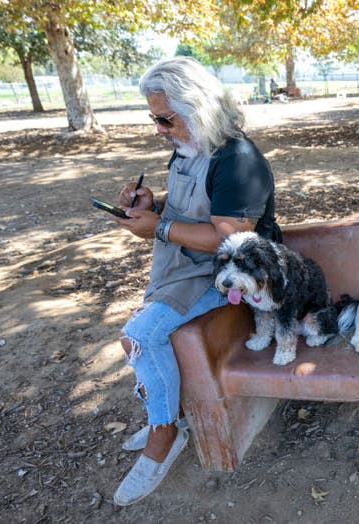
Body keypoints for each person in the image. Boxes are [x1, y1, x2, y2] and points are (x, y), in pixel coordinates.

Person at [109, 56, 279, 506]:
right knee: (137, 341)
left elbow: (230, 237)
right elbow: (195, 207)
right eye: (154, 119)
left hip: (232, 275)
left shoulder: (238, 159)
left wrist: (158, 227)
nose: (159, 128)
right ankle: (163, 415)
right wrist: (155, 204)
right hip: (187, 266)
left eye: (165, 118)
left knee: (140, 335)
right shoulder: (190, 146)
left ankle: (164, 436)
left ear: (197, 107)